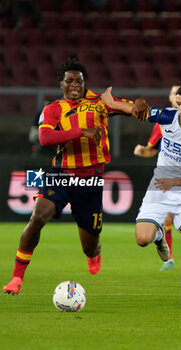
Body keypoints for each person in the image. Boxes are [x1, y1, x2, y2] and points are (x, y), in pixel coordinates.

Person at [3, 58, 147, 295]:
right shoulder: (53, 109)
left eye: (78, 81)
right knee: (38, 217)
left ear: (84, 83)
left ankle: (94, 253)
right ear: (61, 84)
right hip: (60, 175)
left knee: (89, 247)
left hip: (90, 180)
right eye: (69, 81)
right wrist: (81, 132)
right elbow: (45, 138)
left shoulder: (100, 102)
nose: (74, 85)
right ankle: (17, 278)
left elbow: (130, 108)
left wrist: (139, 103)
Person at [100, 83, 181, 306]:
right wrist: (111, 102)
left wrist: (176, 181)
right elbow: (134, 111)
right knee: (142, 239)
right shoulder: (168, 117)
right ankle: (159, 235)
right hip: (161, 186)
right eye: (180, 103)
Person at [133, 84, 181, 271]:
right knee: (167, 219)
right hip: (168, 177)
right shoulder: (163, 121)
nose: (177, 97)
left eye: (180, 93)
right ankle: (169, 258)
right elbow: (151, 151)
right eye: (174, 93)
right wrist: (142, 150)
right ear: (170, 98)